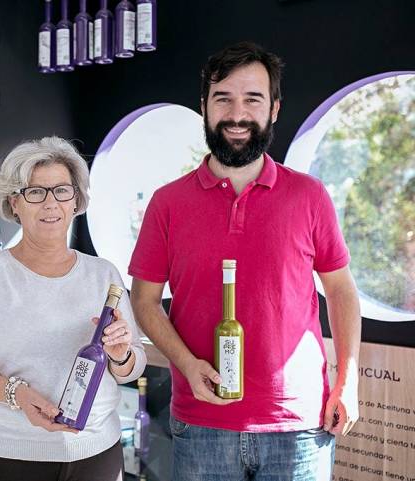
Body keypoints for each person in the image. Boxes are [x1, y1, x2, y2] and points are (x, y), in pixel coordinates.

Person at [128, 42, 361, 481]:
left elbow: (341, 289)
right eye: (223, 98)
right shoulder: (167, 203)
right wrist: (186, 363)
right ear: (204, 107)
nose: (237, 114)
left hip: (299, 426)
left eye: (252, 99)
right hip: (201, 423)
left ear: (273, 108)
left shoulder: (309, 196)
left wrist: (347, 378)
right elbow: (144, 301)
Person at [0, 136, 146, 481]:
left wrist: (121, 356)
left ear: (76, 201)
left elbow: (130, 368)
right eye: (35, 192)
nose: (50, 204)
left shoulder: (103, 274)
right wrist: (14, 394)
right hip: (5, 458)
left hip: (97, 456)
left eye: (61, 191)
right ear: (15, 204)